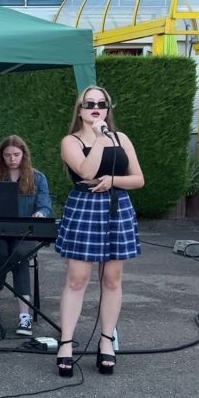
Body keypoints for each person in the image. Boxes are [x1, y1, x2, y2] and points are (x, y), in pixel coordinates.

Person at [54, 86, 144, 377]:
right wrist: (102, 139)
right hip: (85, 206)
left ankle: (107, 342)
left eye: (101, 103)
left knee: (113, 278)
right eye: (89, 103)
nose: (96, 108)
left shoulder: (122, 138)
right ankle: (66, 344)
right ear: (79, 110)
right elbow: (87, 172)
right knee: (78, 278)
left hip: (117, 207)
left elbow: (138, 179)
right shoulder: (71, 140)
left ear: (108, 108)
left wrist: (114, 179)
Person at [0, 135, 52, 337]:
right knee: (0, 251)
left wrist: (40, 214)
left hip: (25, 234)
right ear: (1, 157)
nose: (12, 159)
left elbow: (45, 206)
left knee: (19, 254)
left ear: (24, 155)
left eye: (16, 154)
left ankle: (23, 315)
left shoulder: (38, 178)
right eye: (7, 155)